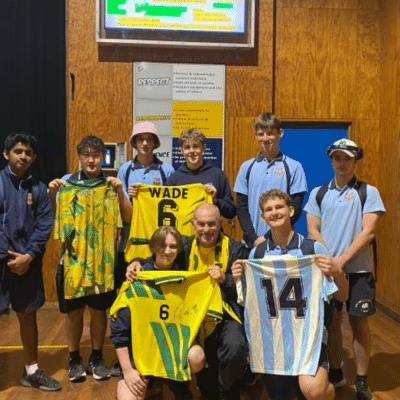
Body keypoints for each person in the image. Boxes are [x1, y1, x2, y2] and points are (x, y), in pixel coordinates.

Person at [232, 189, 348, 400]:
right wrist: (238, 278)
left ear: (291, 210)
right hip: (273, 340)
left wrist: (336, 272)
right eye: (268, 209)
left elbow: (342, 297)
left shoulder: (313, 249)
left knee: (313, 390)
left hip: (308, 337)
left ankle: (329, 392)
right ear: (262, 216)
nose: (274, 212)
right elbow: (250, 302)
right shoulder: (256, 255)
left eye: (279, 207)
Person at [126, 203, 248, 400]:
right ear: (193, 224)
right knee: (208, 390)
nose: (206, 229)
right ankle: (182, 387)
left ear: (220, 223)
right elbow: (159, 258)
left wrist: (225, 280)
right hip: (189, 318)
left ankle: (229, 390)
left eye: (211, 224)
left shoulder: (236, 250)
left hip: (225, 316)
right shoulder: (185, 246)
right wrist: (138, 263)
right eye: (201, 224)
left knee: (235, 347)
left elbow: (246, 292)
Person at [304, 139, 385, 400]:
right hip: (328, 270)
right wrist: (331, 261)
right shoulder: (318, 193)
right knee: (334, 322)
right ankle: (336, 372)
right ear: (331, 160)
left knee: (359, 323)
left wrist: (342, 261)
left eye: (347, 158)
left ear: (355, 160)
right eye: (337, 158)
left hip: (358, 271)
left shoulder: (368, 192)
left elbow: (369, 232)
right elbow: (313, 230)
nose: (342, 163)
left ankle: (361, 380)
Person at [48, 135, 131, 382]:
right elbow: (57, 217)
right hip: (73, 259)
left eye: (96, 155)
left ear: (102, 158)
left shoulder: (110, 185)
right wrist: (54, 194)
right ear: (80, 157)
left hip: (103, 260)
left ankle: (96, 356)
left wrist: (119, 192)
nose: (91, 160)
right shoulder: (67, 183)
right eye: (87, 155)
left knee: (98, 310)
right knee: (73, 312)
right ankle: (74, 358)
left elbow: (127, 218)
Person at [111, 226, 205, 400]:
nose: (167, 251)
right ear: (154, 247)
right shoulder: (138, 277)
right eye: (162, 246)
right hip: (141, 352)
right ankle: (151, 377)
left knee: (197, 357)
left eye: (173, 246)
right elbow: (119, 331)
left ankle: (173, 380)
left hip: (170, 347)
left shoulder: (185, 277)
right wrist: (128, 370)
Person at [0, 133, 61, 391]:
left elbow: (44, 224)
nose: (23, 156)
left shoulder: (39, 189)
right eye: (18, 151)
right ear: (7, 154)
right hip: (2, 262)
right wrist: (8, 254)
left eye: (28, 152)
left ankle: (31, 370)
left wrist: (29, 255)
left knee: (28, 317)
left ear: (34, 158)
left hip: (28, 262)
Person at [234, 112, 307, 247]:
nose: (265, 138)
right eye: (261, 134)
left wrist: (269, 238)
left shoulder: (294, 167)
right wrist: (254, 238)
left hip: (281, 244)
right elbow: (241, 208)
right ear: (256, 136)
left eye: (270, 133)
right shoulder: (246, 167)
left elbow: (295, 208)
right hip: (251, 244)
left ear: (280, 133)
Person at [116, 121, 174, 288]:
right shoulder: (125, 170)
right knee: (129, 287)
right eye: (140, 139)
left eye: (149, 139)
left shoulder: (166, 170)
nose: (145, 143)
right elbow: (125, 213)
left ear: (155, 143)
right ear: (134, 143)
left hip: (158, 240)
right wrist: (130, 198)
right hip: (130, 238)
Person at [166, 128, 236, 220]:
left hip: (210, 232)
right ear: (181, 151)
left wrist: (215, 200)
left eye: (195, 146)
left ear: (203, 148)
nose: (191, 151)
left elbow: (231, 212)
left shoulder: (217, 175)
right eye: (187, 147)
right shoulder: (174, 179)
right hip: (182, 233)